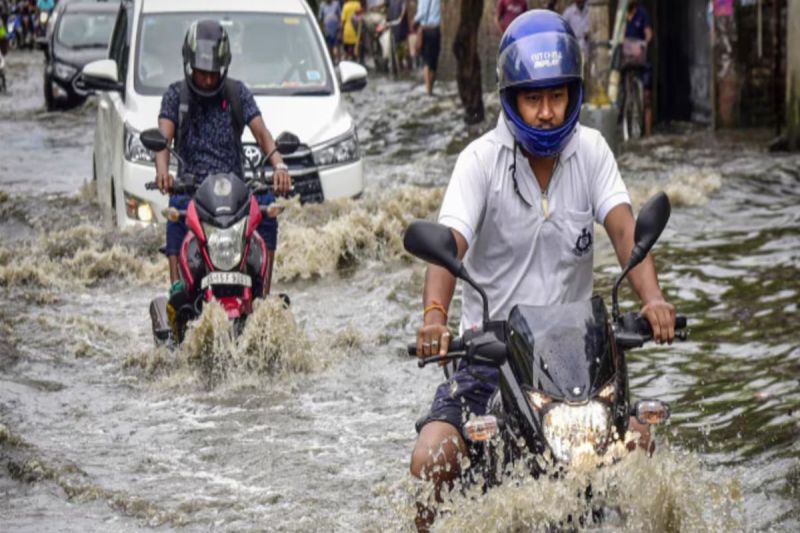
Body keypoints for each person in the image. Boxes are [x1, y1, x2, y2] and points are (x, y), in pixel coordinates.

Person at [408, 10, 676, 530]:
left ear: (573, 95)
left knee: (640, 444)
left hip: (578, 356)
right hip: (492, 354)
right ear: (511, 99)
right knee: (431, 456)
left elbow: (625, 233)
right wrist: (435, 317)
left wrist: (653, 301)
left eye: (557, 96)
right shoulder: (480, 161)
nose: (548, 112)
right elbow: (448, 247)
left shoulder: (593, 151)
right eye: (534, 98)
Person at [154, 20, 292, 297]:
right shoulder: (174, 96)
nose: (206, 79)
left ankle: (263, 292)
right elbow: (162, 140)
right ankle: (177, 291)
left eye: (213, 74)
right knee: (175, 211)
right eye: (201, 73)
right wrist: (163, 172)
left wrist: (279, 165)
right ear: (189, 66)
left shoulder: (237, 93)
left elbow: (262, 133)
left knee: (266, 206)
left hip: (234, 192)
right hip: (191, 190)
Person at [624, 0, 653, 136]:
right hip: (626, 59)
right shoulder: (622, 15)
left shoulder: (642, 13)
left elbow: (648, 34)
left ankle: (647, 133)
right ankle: (624, 120)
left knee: (647, 96)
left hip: (641, 58)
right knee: (621, 92)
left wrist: (644, 43)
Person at [414, 0, 440, 96]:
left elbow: (421, 13)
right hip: (436, 29)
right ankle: (431, 89)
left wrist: (415, 20)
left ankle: (428, 91)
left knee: (426, 61)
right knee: (433, 62)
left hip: (425, 30)